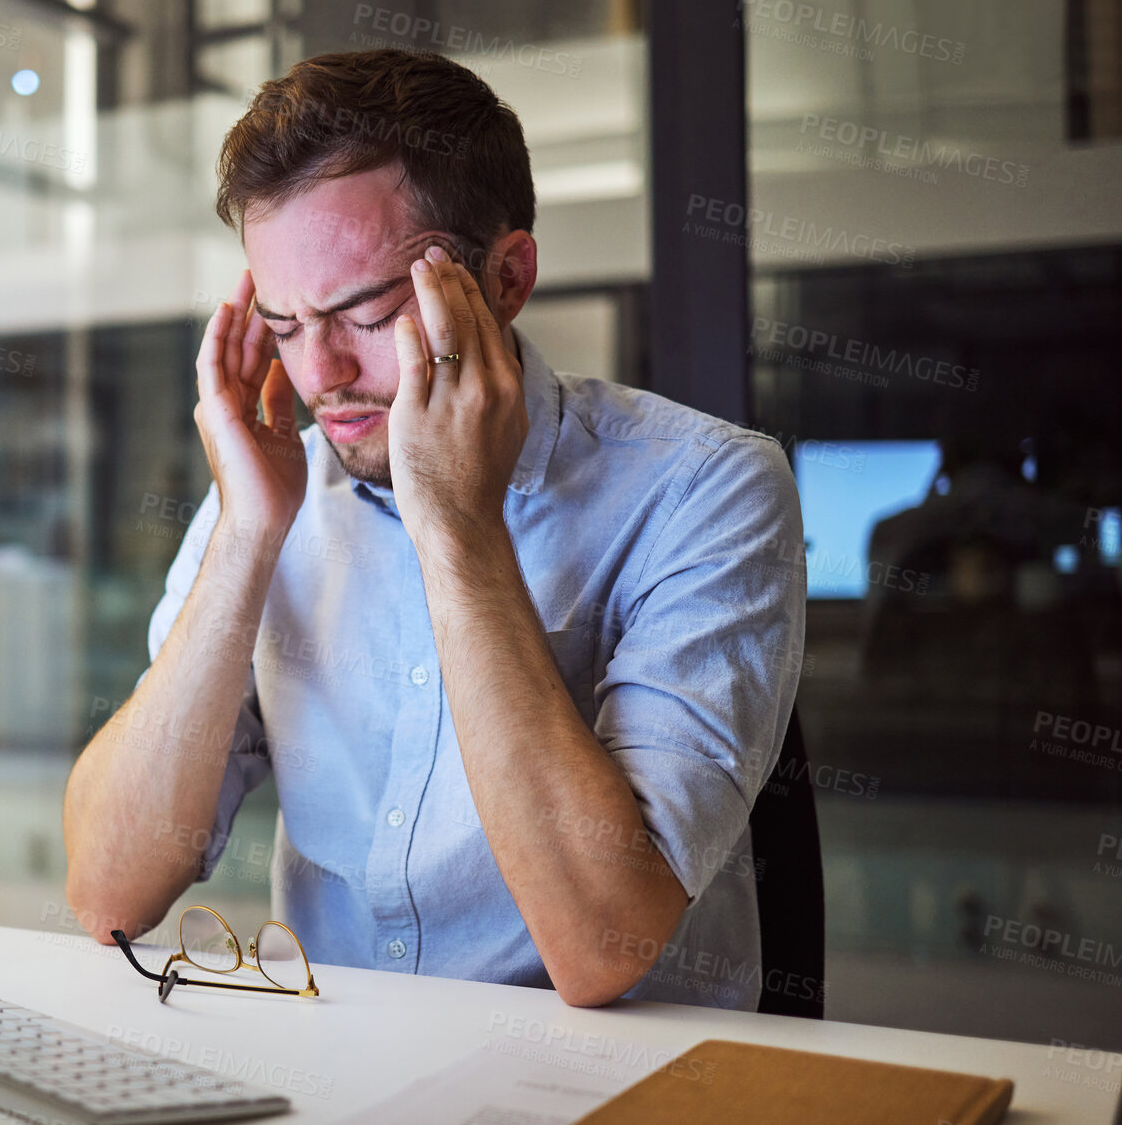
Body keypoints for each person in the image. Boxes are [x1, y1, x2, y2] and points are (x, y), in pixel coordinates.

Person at [62, 49, 806, 1009]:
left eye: (363, 312)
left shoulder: (706, 490)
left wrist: (456, 525)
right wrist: (245, 534)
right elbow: (108, 893)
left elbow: (601, 944)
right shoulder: (273, 490)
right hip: (342, 1075)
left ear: (506, 277)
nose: (320, 372)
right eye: (284, 324)